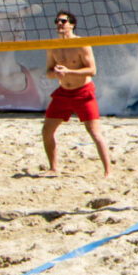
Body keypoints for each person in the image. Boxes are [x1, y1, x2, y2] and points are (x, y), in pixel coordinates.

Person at [43, 10, 112, 176]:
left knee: (95, 133)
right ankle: (53, 167)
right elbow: (48, 72)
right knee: (46, 131)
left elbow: (92, 70)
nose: (59, 24)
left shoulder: (82, 44)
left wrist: (68, 72)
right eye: (57, 21)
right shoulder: (53, 45)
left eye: (63, 21)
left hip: (83, 92)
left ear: (72, 24)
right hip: (63, 93)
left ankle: (108, 171)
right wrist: (56, 74)